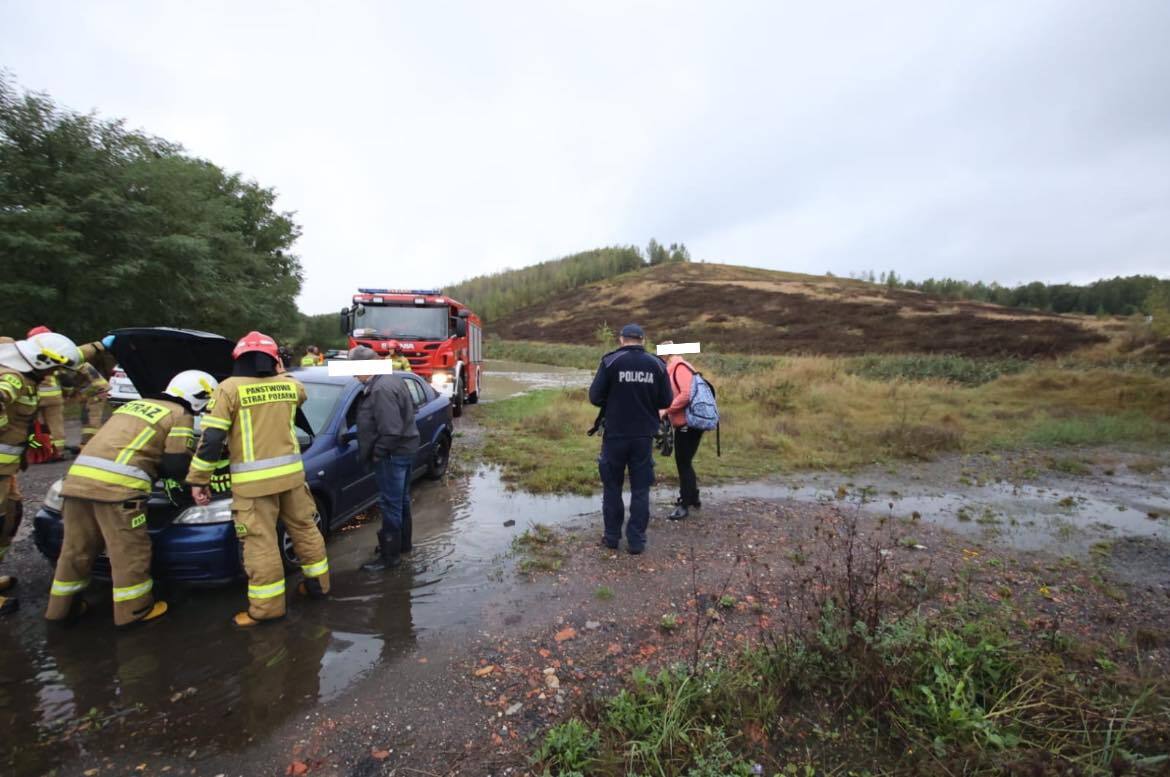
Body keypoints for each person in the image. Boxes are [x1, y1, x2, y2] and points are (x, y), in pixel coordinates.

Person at [44, 369, 217, 627]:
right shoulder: (180, 414)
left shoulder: (133, 406)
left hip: (75, 485)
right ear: (199, 397)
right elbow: (176, 463)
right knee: (129, 553)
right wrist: (196, 480)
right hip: (118, 492)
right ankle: (134, 611)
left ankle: (61, 610)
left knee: (74, 551)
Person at [187, 331, 330, 627]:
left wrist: (199, 479)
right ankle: (319, 586)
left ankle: (267, 609)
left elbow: (211, 439)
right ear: (273, 359)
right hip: (292, 479)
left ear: (239, 358)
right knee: (305, 529)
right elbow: (293, 386)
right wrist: (280, 370)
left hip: (253, 486)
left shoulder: (229, 389)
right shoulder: (291, 387)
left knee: (259, 543)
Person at [0, 331, 85, 615]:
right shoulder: (13, 377)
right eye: (52, 367)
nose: (53, 373)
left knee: (9, 518)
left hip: (7, 470)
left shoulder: (27, 371)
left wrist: (99, 347)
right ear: (39, 361)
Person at [588, 323, 672, 554]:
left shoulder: (610, 361)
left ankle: (612, 538)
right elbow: (666, 401)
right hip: (643, 436)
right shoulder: (657, 364)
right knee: (640, 489)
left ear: (621, 339)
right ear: (643, 340)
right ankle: (636, 541)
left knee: (612, 487)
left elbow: (594, 397)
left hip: (615, 434)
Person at [349, 345, 419, 571]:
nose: (353, 374)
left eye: (355, 369)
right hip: (404, 449)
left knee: (391, 504)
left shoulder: (380, 389)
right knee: (401, 501)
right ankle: (402, 546)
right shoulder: (393, 380)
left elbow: (390, 430)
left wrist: (377, 454)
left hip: (392, 454)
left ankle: (390, 558)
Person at [658, 342, 704, 521]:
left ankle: (684, 505)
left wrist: (667, 409)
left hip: (689, 424)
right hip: (687, 423)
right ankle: (693, 497)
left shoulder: (679, 367)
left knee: (683, 463)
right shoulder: (679, 366)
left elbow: (686, 394)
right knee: (686, 461)